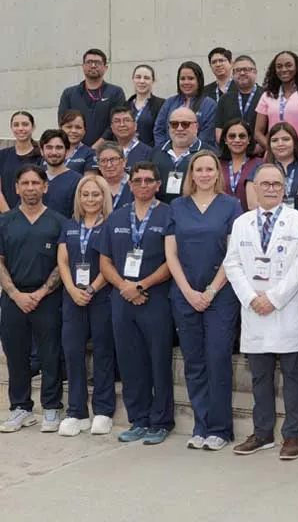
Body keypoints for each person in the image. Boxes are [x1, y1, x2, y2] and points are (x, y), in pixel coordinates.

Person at [224, 164, 298, 459]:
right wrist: (251, 298)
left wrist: (274, 298)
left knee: (292, 375)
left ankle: (292, 435)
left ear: (284, 188)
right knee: (260, 377)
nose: (271, 188)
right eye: (265, 184)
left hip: (286, 309)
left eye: (276, 183)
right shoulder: (242, 223)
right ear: (255, 188)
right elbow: (232, 263)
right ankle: (262, 433)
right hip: (254, 311)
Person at [165, 151, 242, 451]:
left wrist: (210, 291)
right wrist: (187, 291)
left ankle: (220, 429)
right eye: (199, 169)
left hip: (220, 296)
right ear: (191, 174)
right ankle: (201, 425)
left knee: (218, 359)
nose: (205, 174)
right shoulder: (178, 206)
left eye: (210, 169)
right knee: (194, 362)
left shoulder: (230, 205)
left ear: (217, 174)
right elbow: (170, 253)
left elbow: (232, 253)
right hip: (185, 295)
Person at [97, 161, 174, 445]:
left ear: (158, 185)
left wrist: (141, 285)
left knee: (158, 362)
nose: (143, 185)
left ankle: (161, 421)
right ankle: (138, 419)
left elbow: (172, 260)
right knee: (130, 362)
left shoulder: (168, 215)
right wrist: (124, 287)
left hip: (155, 299)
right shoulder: (116, 218)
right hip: (122, 300)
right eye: (137, 180)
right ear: (130, 185)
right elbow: (104, 261)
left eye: (148, 180)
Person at [0, 165, 66, 433]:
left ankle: (51, 407)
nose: (30, 188)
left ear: (44, 186)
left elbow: (62, 264)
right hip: (13, 296)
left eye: (35, 183)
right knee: (15, 355)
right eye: (24, 183)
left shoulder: (58, 221)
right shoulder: (5, 222)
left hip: (47, 297)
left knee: (50, 355)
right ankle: (20, 408)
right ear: (16, 188)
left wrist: (39, 293)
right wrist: (15, 294)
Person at [56, 175, 115, 436]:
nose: (90, 199)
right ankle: (76, 412)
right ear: (79, 198)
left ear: (104, 197)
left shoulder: (111, 225)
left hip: (101, 296)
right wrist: (72, 289)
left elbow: (109, 263)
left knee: (103, 352)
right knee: (72, 352)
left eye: (95, 194)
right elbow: (63, 261)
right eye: (85, 194)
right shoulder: (69, 225)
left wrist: (91, 289)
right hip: (72, 298)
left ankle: (103, 410)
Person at [253, 51, 298, 164]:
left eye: (288, 65)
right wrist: (274, 150)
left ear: (297, 67)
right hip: (273, 158)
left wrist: (295, 149)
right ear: (274, 70)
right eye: (279, 66)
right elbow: (257, 132)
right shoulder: (267, 95)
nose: (284, 69)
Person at [58, 48, 126, 148]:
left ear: (105, 68)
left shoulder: (115, 92)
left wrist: (97, 146)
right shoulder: (69, 93)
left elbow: (117, 122)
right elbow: (62, 122)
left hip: (107, 150)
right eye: (89, 62)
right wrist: (81, 149)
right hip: (75, 150)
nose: (93, 65)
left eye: (97, 62)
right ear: (83, 66)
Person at [151, 107, 216, 204]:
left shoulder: (210, 154)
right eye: (174, 124)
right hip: (161, 212)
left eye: (185, 124)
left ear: (196, 127)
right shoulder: (154, 154)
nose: (179, 128)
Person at [153, 61, 218, 148]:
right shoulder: (169, 102)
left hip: (198, 155)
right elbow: (159, 130)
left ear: (199, 80)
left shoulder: (209, 105)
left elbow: (207, 135)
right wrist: (166, 151)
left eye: (191, 78)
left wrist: (187, 153)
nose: (186, 82)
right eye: (182, 79)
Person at [249, 122, 298, 211]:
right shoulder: (259, 169)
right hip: (266, 221)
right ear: (269, 145)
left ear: (295, 142)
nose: (280, 144)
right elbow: (252, 204)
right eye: (275, 140)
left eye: (286, 139)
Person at [214, 55, 264, 143]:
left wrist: (258, 148)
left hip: (260, 153)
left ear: (255, 72)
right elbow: (219, 131)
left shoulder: (266, 96)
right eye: (237, 70)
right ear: (233, 74)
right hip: (231, 154)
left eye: (246, 69)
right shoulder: (225, 99)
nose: (242, 73)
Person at [0, 111, 41, 213]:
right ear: (11, 128)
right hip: (5, 214)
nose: (20, 128)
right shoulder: (2, 155)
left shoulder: (41, 156)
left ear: (33, 127)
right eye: (16, 125)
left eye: (25, 124)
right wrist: (8, 214)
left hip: (32, 214)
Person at [218, 119, 260, 212]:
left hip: (250, 219)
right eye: (232, 136)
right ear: (225, 139)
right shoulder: (216, 165)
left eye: (242, 136)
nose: (237, 140)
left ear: (249, 139)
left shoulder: (260, 164)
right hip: (222, 220)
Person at [40, 129, 82, 219]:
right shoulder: (34, 178)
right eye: (49, 147)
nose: (54, 152)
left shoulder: (78, 181)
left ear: (67, 151)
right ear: (41, 151)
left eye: (59, 147)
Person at [127, 64, 166, 148]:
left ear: (153, 81)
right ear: (133, 80)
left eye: (146, 78)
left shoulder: (162, 105)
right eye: (138, 77)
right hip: (127, 155)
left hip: (151, 155)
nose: (142, 81)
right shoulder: (125, 106)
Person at [108, 106, 153, 171]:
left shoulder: (149, 153)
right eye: (117, 121)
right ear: (111, 127)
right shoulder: (106, 152)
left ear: (135, 125)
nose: (122, 124)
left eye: (126, 120)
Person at [95, 143, 133, 210]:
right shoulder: (94, 186)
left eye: (114, 159)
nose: (109, 165)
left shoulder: (136, 184)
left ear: (124, 162)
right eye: (103, 161)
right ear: (98, 165)